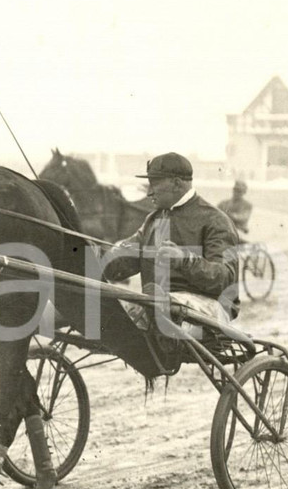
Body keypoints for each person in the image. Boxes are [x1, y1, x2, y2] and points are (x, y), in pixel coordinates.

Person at [101, 153, 240, 368]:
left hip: (210, 310)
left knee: (156, 302)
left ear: (176, 183)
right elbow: (122, 262)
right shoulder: (154, 220)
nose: (148, 192)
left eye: (155, 183)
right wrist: (93, 254)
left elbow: (225, 279)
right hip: (160, 305)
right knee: (109, 304)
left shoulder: (216, 220)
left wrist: (185, 260)